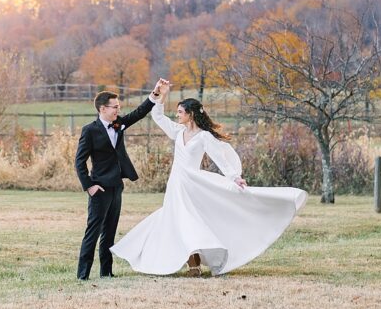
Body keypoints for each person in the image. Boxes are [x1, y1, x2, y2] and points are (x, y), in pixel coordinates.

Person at [110, 79, 307, 277]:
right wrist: (163, 94)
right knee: (177, 220)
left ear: (191, 114)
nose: (177, 115)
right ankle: (191, 263)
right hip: (176, 184)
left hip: (193, 184)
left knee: (189, 221)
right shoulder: (178, 132)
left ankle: (195, 264)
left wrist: (234, 177)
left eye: (180, 112)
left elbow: (220, 159)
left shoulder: (204, 137)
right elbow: (157, 116)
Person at [74, 87, 159, 280]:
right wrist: (90, 186)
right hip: (99, 188)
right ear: (102, 109)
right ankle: (82, 274)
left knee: (110, 232)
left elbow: (139, 113)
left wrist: (154, 95)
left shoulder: (118, 123)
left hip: (116, 186)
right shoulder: (90, 130)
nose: (118, 110)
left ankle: (106, 272)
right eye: (115, 107)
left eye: (118, 106)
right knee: (93, 232)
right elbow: (79, 162)